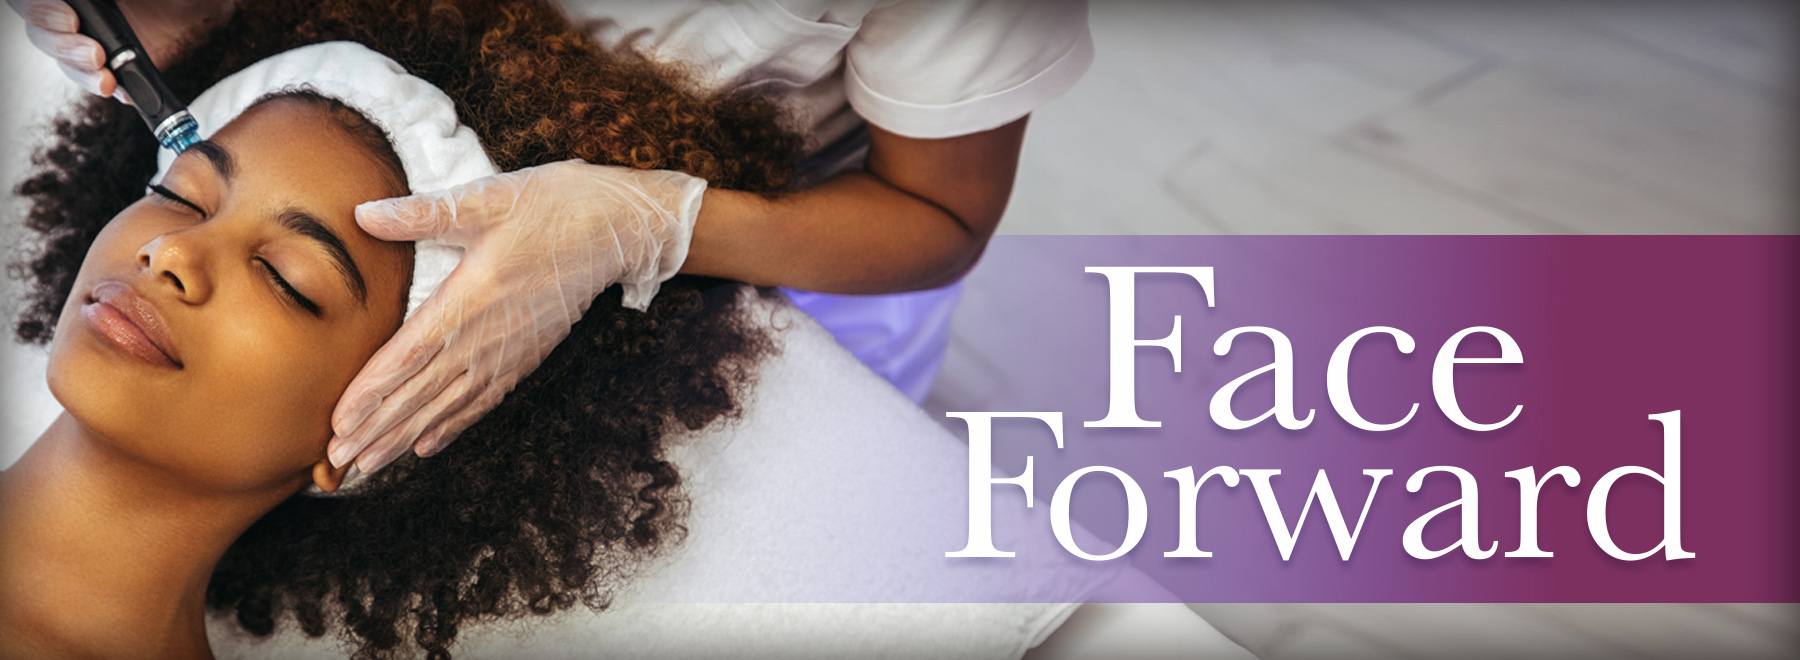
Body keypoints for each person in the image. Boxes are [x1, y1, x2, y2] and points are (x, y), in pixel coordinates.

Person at [8, 0, 1095, 474]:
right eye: (188, 197)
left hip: (798, 242)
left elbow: (938, 217)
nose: (163, 255)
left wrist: (653, 224)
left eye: (293, 281)